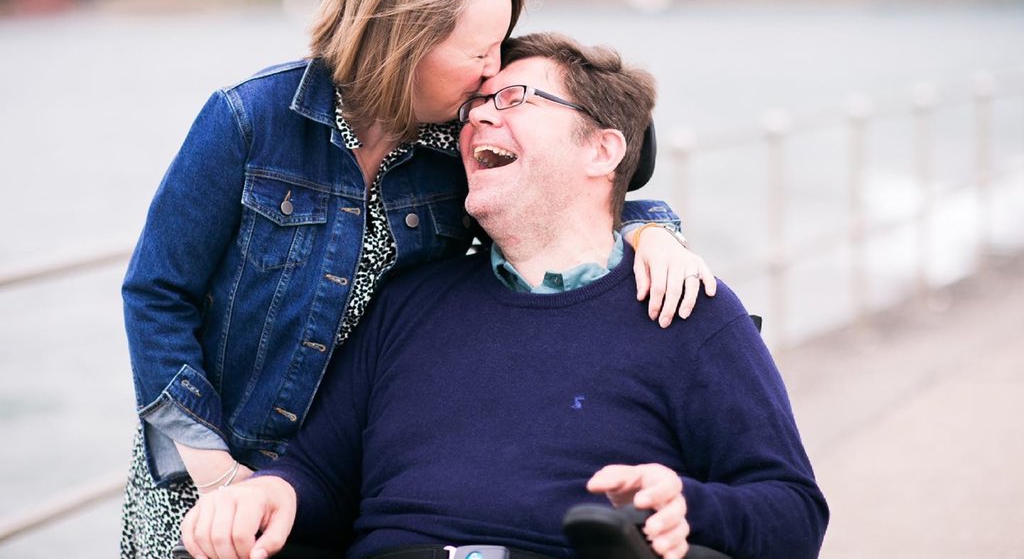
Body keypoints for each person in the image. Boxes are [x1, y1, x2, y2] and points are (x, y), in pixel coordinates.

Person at [120, 0, 713, 559]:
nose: (492, 74)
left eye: (500, 48)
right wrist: (218, 473)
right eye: (479, 52)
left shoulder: (447, 153)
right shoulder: (248, 120)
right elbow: (156, 294)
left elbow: (565, 192)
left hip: (356, 464)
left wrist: (652, 229)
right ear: (403, 43)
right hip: (211, 463)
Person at [180, 33, 829, 559]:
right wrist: (269, 494)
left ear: (602, 150)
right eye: (474, 108)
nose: (480, 117)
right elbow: (319, 473)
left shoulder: (686, 308)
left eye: (516, 98)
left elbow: (795, 512)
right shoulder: (411, 300)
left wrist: (689, 503)